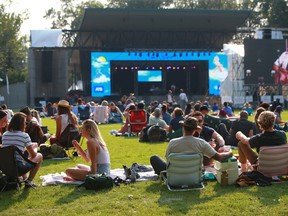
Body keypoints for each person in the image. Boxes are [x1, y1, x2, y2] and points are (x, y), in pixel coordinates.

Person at [150, 117, 233, 175]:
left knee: (154, 158)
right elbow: (219, 157)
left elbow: (168, 160)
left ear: (183, 127)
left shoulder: (172, 142)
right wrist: (230, 153)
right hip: (194, 176)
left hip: (174, 175)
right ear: (195, 130)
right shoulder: (202, 143)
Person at [2, 112, 43, 187]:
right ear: (21, 124)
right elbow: (33, 155)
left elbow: (12, 149)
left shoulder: (5, 135)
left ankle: (25, 177)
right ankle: (29, 181)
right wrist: (35, 147)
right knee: (39, 156)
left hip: (5, 167)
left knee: (23, 157)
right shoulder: (24, 136)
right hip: (17, 168)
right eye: (25, 122)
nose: (26, 124)